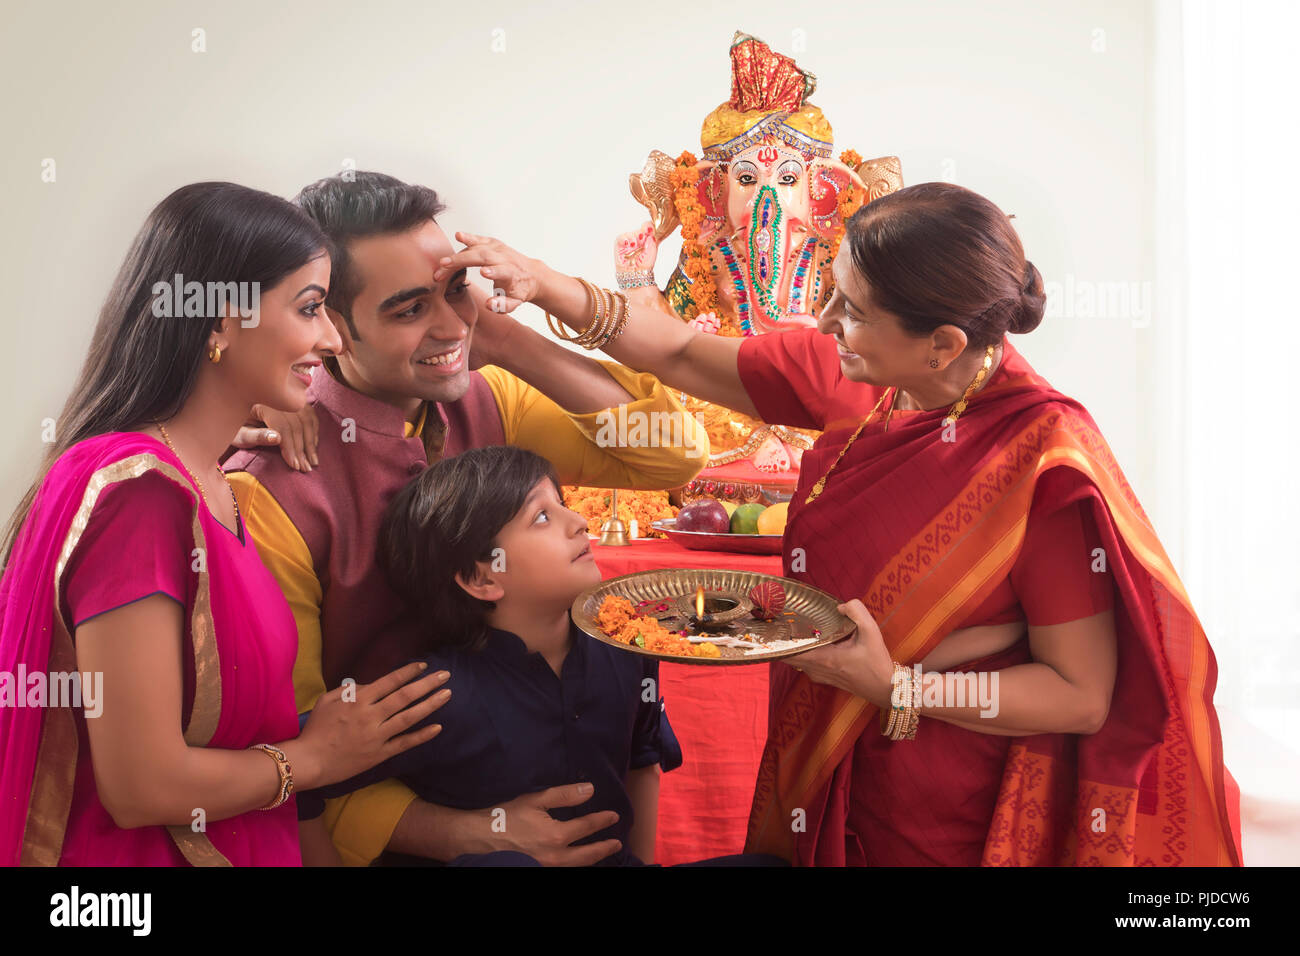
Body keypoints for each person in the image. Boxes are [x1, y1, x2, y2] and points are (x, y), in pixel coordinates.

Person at [430, 181, 1244, 866]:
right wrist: (540, 285)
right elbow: (676, 352)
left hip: (948, 803)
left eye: (850, 311)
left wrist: (895, 686)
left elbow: (1078, 697)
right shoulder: (865, 378)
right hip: (827, 757)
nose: (821, 324)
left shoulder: (1039, 464)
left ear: (944, 343)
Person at [222, 172, 710, 866]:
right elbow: (295, 746)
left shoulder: (492, 400)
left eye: (456, 291)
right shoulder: (272, 486)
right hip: (379, 831)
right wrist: (470, 831)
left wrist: (513, 342)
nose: (451, 327)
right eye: (408, 309)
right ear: (332, 325)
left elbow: (672, 454)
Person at [0, 183, 450, 866]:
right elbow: (141, 784)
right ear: (216, 321)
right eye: (308, 309)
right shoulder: (140, 496)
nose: (329, 339)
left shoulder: (210, 479)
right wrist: (314, 759)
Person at [301, 445, 784, 867]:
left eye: (565, 505)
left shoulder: (628, 650)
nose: (580, 523)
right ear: (482, 578)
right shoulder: (435, 693)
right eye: (542, 517)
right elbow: (306, 784)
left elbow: (643, 763)